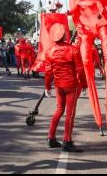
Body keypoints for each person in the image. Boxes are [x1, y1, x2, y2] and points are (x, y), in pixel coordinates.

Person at [43, 24, 86, 153]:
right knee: (70, 113)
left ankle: (51, 137)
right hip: (71, 85)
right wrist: (84, 84)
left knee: (59, 110)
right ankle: (67, 141)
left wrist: (47, 86)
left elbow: (48, 72)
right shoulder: (73, 50)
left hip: (58, 86)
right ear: (64, 36)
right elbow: (80, 69)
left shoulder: (49, 51)